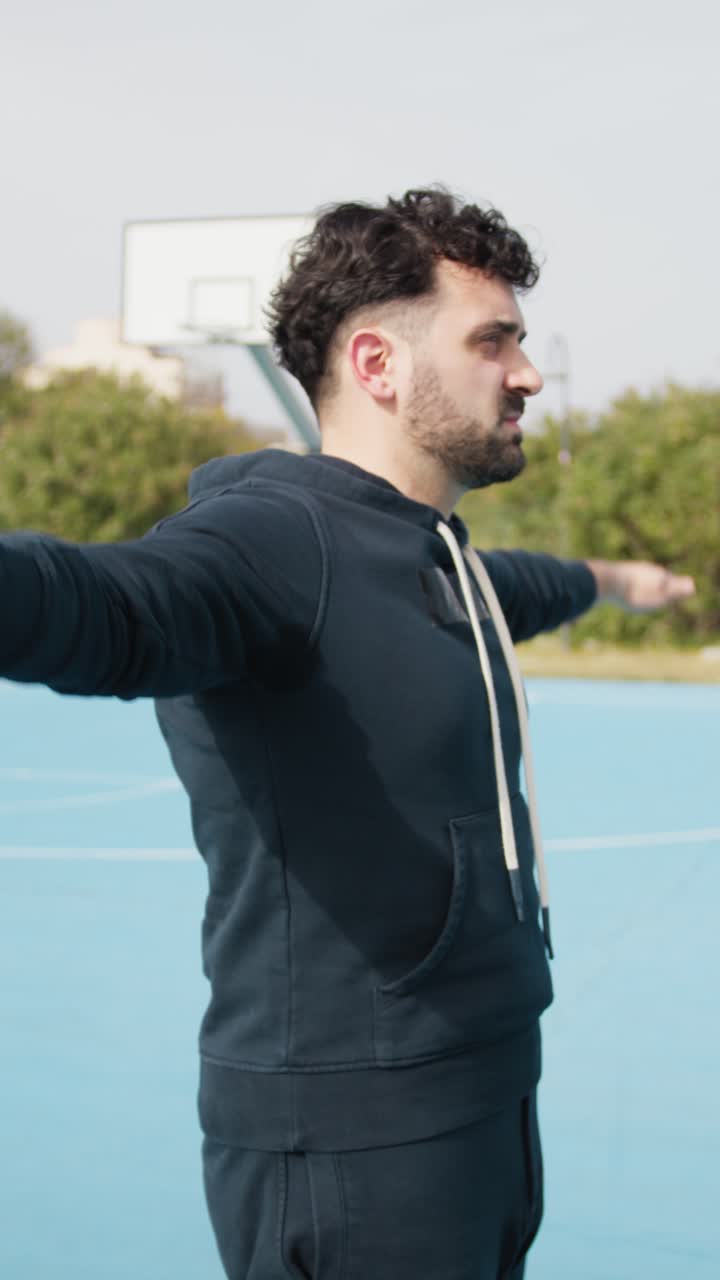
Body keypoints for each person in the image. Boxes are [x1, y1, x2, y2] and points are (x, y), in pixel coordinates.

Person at [3, 188, 693, 1279]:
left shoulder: (436, 557)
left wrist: (620, 581)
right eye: (493, 340)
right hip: (358, 1150)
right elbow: (103, 605)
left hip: (483, 1106)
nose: (527, 372)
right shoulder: (269, 541)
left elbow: (524, 585)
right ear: (377, 364)